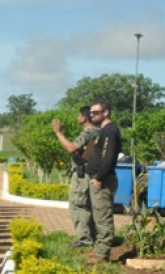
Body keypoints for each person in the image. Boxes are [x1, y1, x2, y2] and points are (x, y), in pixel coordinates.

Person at [52, 107, 100, 248]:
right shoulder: (98, 131)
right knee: (89, 205)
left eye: (79, 115)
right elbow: (89, 153)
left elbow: (71, 148)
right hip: (90, 172)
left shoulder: (88, 132)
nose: (77, 118)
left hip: (82, 174)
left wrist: (58, 132)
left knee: (78, 205)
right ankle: (93, 235)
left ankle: (84, 238)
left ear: (84, 118)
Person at [86, 99, 122, 262]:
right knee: (98, 216)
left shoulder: (110, 131)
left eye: (96, 112)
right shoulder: (103, 130)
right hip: (98, 178)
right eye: (91, 112)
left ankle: (102, 253)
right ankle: (99, 249)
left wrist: (99, 177)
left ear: (106, 112)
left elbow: (108, 158)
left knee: (103, 216)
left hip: (103, 180)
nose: (92, 115)